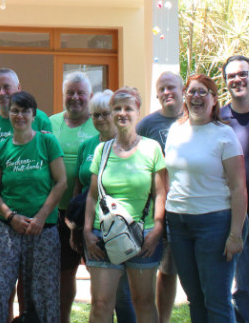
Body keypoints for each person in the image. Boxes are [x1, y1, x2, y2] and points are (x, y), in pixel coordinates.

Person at [164, 75, 247, 323]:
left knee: (217, 300)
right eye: (191, 92)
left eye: (203, 92)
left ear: (213, 99)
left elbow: (239, 188)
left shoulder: (224, 134)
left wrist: (235, 235)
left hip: (214, 224)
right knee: (195, 298)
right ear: (185, 97)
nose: (196, 97)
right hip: (178, 224)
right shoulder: (175, 130)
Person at [83, 87, 167, 323]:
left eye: (128, 108)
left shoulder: (151, 149)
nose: (122, 113)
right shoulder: (103, 150)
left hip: (144, 235)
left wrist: (158, 230)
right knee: (100, 304)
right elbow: (91, 195)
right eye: (116, 108)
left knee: (143, 302)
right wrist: (87, 231)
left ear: (137, 112)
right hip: (103, 235)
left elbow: (160, 194)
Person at [0, 67, 53, 315]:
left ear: (19, 88)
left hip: (35, 215)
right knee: (0, 284)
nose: (2, 92)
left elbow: (51, 171)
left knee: (29, 286)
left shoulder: (40, 118)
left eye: (7, 86)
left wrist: (41, 215)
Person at [0, 91, 67, 323]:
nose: (19, 116)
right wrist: (10, 216)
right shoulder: (0, 148)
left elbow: (61, 182)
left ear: (34, 115)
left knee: (45, 293)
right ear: (8, 114)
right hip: (7, 228)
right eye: (15, 111)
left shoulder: (47, 142)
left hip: (43, 229)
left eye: (25, 111)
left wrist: (41, 217)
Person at [74, 91, 136, 323]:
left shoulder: (127, 145)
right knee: (100, 298)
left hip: (121, 229)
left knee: (123, 296)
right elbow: (79, 191)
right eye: (95, 115)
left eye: (105, 114)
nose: (99, 119)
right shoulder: (87, 147)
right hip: (93, 229)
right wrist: (77, 229)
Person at [50, 72, 99, 323]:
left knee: (100, 272)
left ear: (90, 96)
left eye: (81, 93)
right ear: (63, 95)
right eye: (70, 92)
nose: (76, 97)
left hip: (95, 213)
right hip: (59, 213)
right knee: (65, 272)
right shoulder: (50, 123)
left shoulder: (99, 122)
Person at [136, 71, 184, 323]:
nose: (167, 92)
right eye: (162, 89)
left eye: (172, 87)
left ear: (183, 89)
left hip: (186, 209)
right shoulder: (146, 125)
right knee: (149, 268)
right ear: (157, 94)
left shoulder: (193, 120)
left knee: (170, 270)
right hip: (153, 210)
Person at [219, 56, 249, 323]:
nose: (237, 79)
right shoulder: (218, 119)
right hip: (239, 219)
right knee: (243, 290)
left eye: (243, 74)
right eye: (231, 76)